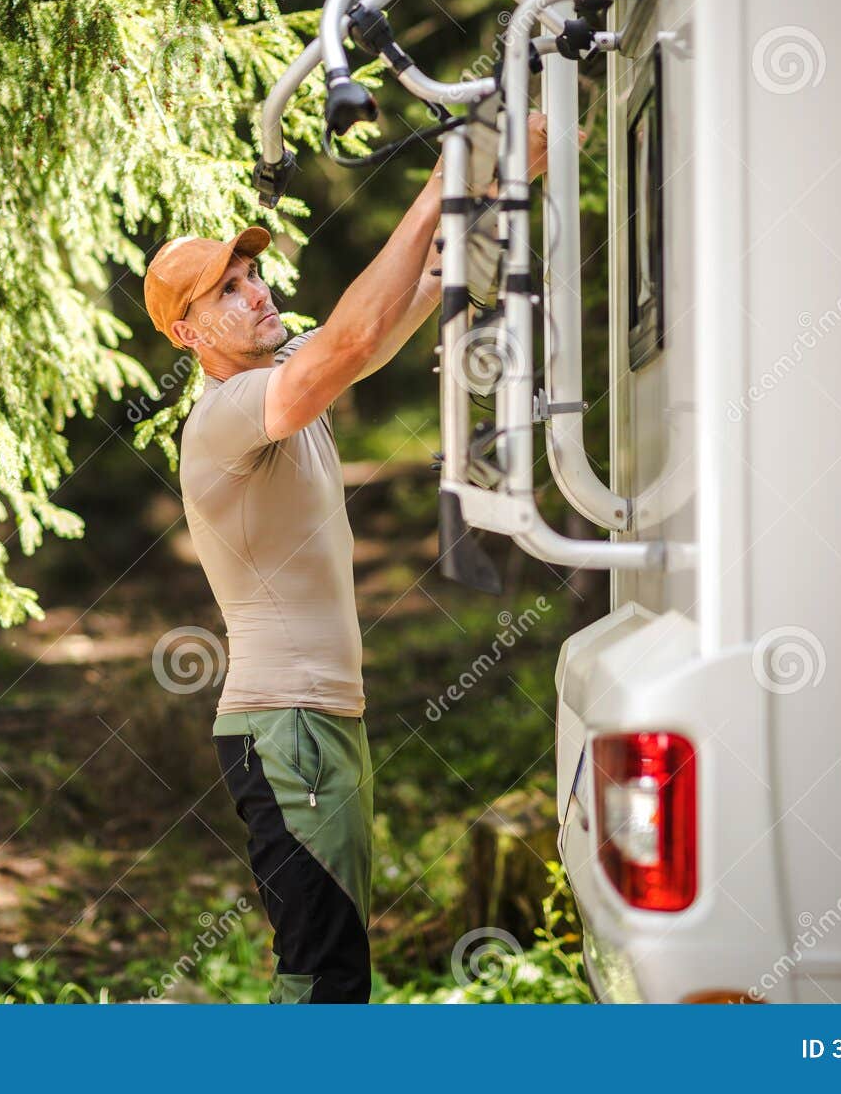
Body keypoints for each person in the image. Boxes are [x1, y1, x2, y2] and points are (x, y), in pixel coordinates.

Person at [140, 112, 552, 1003]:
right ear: (188, 336)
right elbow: (355, 339)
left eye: (252, 276)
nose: (255, 294)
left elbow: (424, 286)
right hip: (283, 727)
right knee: (325, 980)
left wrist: (498, 179)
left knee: (333, 973)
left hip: (323, 722)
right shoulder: (222, 418)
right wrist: (440, 182)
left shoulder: (281, 370)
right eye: (228, 293)